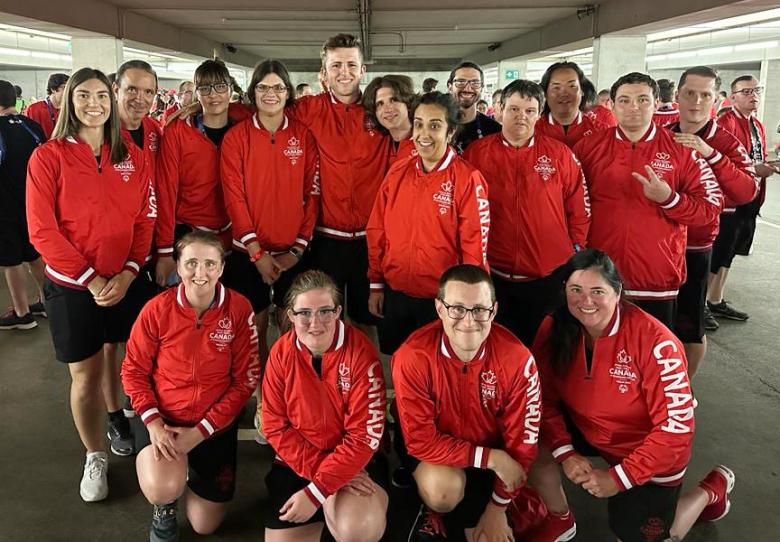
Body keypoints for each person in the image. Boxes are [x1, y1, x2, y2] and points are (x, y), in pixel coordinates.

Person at [526, 249, 734, 542]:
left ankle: (710, 491)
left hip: (648, 449)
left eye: (597, 291)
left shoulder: (657, 343)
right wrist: (565, 452)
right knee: (526, 436)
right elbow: (541, 399)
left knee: (650, 537)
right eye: (576, 289)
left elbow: (675, 432)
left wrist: (618, 478)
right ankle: (559, 517)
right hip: (588, 428)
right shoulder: (556, 326)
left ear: (617, 291)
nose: (586, 301)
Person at [26, 67, 154, 502]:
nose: (93, 103)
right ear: (67, 101)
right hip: (74, 287)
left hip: (125, 280)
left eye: (102, 94)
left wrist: (129, 272)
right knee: (85, 374)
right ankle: (95, 453)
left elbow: (144, 220)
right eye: (83, 95)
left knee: (133, 363)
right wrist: (93, 279)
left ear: (112, 99)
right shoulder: (49, 157)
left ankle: (137, 429)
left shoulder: (133, 156)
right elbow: (42, 231)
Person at [122, 230, 260, 541]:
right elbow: (133, 371)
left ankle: (193, 468)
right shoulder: (156, 309)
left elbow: (245, 380)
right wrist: (155, 425)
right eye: (192, 263)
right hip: (164, 422)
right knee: (162, 487)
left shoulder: (239, 309)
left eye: (210, 264)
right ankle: (165, 506)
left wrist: (201, 432)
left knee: (204, 526)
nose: (201, 273)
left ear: (222, 268)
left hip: (213, 425)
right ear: (179, 266)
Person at [392, 264, 541, 542]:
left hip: (491, 452)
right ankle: (429, 507)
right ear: (439, 309)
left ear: (494, 310)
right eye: (457, 308)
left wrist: (497, 508)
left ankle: (497, 503)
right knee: (443, 492)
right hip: (440, 454)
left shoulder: (518, 360)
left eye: (479, 310)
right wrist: (492, 459)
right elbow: (420, 441)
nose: (469, 320)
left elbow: (524, 442)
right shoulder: (412, 356)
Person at [572, 72, 721, 329]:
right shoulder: (587, 148)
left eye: (643, 100)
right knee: (596, 356)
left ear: (656, 104)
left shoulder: (682, 150)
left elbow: (710, 210)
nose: (633, 107)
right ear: (613, 105)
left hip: (657, 279)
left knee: (650, 358)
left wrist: (670, 199)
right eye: (624, 100)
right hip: (600, 277)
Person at [262, 270, 388, 542]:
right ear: (290, 315)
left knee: (359, 528)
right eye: (304, 313)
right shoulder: (280, 353)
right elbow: (274, 426)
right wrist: (323, 476)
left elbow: (363, 438)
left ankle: (337, 512)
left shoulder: (361, 353)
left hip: (356, 464)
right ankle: (327, 514)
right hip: (299, 460)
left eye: (325, 311)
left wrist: (316, 492)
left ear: (338, 312)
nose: (315, 323)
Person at [464, 79, 590, 346]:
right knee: (499, 348)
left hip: (547, 276)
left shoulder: (560, 155)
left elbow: (579, 208)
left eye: (529, 110)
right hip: (494, 275)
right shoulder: (476, 154)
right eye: (514, 109)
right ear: (500, 110)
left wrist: (574, 249)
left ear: (539, 114)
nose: (521, 117)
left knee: (547, 347)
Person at [366, 92, 490, 355]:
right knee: (399, 362)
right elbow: (377, 230)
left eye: (434, 125)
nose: (423, 133)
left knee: (438, 367)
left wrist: (468, 303)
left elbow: (474, 248)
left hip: (441, 301)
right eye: (419, 124)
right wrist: (376, 283)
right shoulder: (398, 173)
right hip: (396, 293)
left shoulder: (468, 179)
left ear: (451, 131)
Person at [287, 34, 392, 335]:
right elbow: (264, 111)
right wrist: (201, 111)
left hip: (370, 241)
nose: (343, 72)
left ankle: (364, 382)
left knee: (365, 324)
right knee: (322, 324)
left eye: (350, 65)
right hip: (325, 239)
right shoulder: (309, 108)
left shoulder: (379, 110)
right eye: (336, 66)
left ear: (363, 71)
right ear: (323, 73)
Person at [220, 58, 319, 367]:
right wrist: (256, 252)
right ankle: (265, 400)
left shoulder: (303, 135)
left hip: (293, 252)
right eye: (263, 87)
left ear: (287, 92)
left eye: (278, 87)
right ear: (253, 92)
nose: (270, 94)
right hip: (247, 254)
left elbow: (312, 195)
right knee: (255, 331)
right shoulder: (236, 138)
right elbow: (234, 198)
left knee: (296, 329)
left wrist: (298, 250)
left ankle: (294, 395)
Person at [668, 66, 758, 376]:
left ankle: (685, 389)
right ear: (677, 96)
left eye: (705, 94)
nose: (696, 101)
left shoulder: (725, 140)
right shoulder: (662, 134)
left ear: (717, 100)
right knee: (652, 321)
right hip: (656, 245)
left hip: (696, 245)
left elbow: (746, 190)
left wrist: (711, 154)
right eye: (689, 93)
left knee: (691, 326)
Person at [108, 59, 164, 447]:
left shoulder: (156, 132)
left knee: (142, 336)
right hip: (111, 256)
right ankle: (114, 416)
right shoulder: (100, 137)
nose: (140, 98)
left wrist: (161, 249)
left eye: (148, 91)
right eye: (132, 89)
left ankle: (135, 397)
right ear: (116, 89)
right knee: (110, 342)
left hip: (147, 249)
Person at [155, 60, 233, 286]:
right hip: (190, 232)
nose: (213, 95)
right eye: (205, 89)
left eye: (220, 87)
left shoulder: (244, 125)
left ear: (230, 89)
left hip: (233, 235)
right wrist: (164, 251)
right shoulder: (177, 131)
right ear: (196, 92)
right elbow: (166, 191)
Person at [708, 75, 776, 324]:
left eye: (756, 89)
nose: (753, 95)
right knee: (718, 253)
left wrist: (765, 166)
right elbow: (721, 161)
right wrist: (753, 168)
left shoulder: (756, 125)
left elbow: (753, 157)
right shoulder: (725, 122)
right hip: (730, 201)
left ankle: (716, 300)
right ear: (733, 96)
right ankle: (703, 304)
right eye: (746, 91)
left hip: (751, 198)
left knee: (731, 252)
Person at [0, 79, 46, 330]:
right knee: (34, 254)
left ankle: (21, 313)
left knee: (10, 260)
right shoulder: (33, 127)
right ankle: (46, 300)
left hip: (4, 207)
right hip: (32, 203)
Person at [535, 62, 606, 148]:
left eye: (572, 86)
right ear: (545, 93)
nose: (564, 93)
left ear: (582, 90)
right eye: (556, 87)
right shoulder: (532, 130)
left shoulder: (601, 132)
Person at [447, 61, 501, 153]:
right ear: (450, 86)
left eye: (475, 83)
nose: (468, 88)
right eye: (461, 82)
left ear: (482, 87)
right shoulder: (438, 125)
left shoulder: (495, 131)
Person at [362, 74, 416, 163]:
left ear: (407, 103)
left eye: (393, 100)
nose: (388, 109)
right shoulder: (380, 146)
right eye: (380, 104)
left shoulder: (425, 142)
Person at [24, 72, 69, 139]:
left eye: (69, 88)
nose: (68, 91)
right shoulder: (34, 109)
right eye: (64, 87)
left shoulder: (70, 110)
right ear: (53, 89)